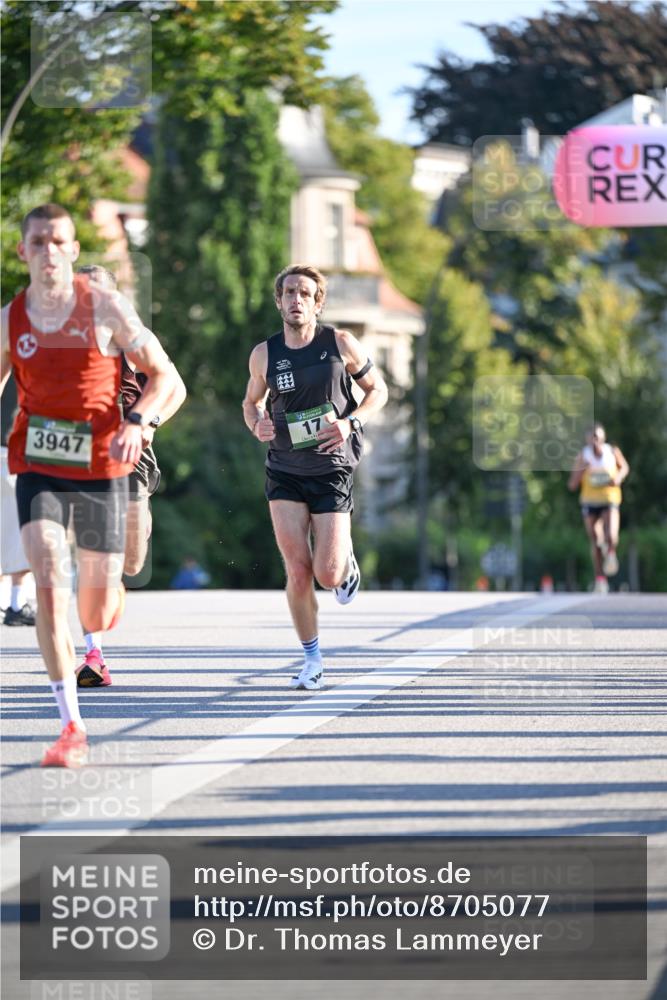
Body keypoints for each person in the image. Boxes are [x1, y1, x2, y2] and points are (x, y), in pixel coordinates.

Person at [0, 203, 183, 766]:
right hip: (38, 463)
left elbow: (167, 379)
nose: (49, 251)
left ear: (74, 249)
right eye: (38, 242)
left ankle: (99, 632)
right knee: (51, 576)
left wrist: (139, 422)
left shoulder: (106, 307)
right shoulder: (11, 318)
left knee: (98, 603)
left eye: (59, 240)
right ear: (23, 250)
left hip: (104, 464)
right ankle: (70, 727)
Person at [242, 264, 388, 690]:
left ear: (317, 302)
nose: (296, 299)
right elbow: (251, 403)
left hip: (331, 466)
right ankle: (312, 659)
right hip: (284, 469)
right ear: (278, 301)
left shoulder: (340, 343)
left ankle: (344, 563)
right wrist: (256, 424)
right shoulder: (264, 354)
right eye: (289, 292)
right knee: (297, 570)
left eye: (305, 293)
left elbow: (377, 391)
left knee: (327, 574)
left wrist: (350, 423)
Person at [73, 265, 186, 688]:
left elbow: (176, 386)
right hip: (79, 454)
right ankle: (93, 653)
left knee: (132, 561)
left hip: (129, 450)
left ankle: (106, 600)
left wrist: (148, 423)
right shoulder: (62, 337)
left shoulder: (132, 335)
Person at [568, 423, 630, 593]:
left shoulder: (612, 452)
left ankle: (611, 553)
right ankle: (600, 579)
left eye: (598, 437)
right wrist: (582, 471)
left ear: (603, 438)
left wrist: (618, 477)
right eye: (592, 437)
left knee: (612, 535)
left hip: (609, 498)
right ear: (587, 439)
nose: (595, 440)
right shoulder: (583, 456)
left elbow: (624, 467)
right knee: (595, 540)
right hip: (589, 501)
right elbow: (572, 485)